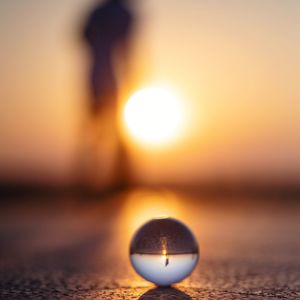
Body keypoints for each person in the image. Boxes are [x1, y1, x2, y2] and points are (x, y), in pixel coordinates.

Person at [81, 0, 134, 191]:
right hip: (112, 78)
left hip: (94, 75)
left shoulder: (96, 11)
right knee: (115, 128)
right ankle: (117, 180)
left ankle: (91, 180)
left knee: (95, 127)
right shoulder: (124, 13)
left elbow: (81, 36)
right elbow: (128, 49)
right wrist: (132, 76)